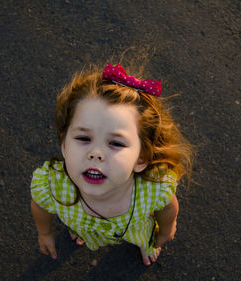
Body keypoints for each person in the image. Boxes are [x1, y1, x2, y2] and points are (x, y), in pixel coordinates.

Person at [30, 62, 193, 266]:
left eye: (115, 143)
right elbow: (40, 207)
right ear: (64, 143)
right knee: (80, 228)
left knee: (144, 238)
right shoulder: (51, 186)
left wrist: (166, 231)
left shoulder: (154, 187)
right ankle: (82, 231)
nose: (95, 153)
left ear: (141, 158)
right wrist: (44, 233)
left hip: (135, 229)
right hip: (82, 224)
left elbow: (169, 208)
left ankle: (146, 245)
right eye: (83, 138)